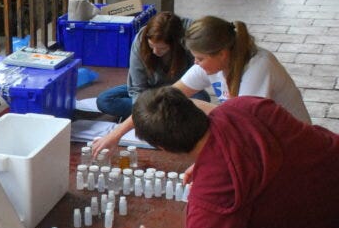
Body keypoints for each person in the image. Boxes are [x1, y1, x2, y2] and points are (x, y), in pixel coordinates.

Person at [126, 87, 339, 228]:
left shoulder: (213, 189)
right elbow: (273, 145)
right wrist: (211, 159)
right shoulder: (246, 105)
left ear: (162, 147)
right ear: (191, 107)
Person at [91, 15, 310, 157]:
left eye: (200, 58)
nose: (195, 64)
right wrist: (116, 134)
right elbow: (163, 97)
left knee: (197, 107)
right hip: (257, 139)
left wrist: (206, 162)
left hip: (290, 146)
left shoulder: (258, 67)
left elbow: (241, 126)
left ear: (222, 54)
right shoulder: (210, 65)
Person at [95, 11, 200, 120]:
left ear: (175, 44)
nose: (155, 51)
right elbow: (137, 88)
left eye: (162, 48)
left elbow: (195, 79)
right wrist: (142, 114)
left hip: (179, 91)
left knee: (202, 100)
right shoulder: (140, 41)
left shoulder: (188, 41)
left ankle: (161, 114)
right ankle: (165, 115)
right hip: (150, 91)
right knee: (105, 100)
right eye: (151, 46)